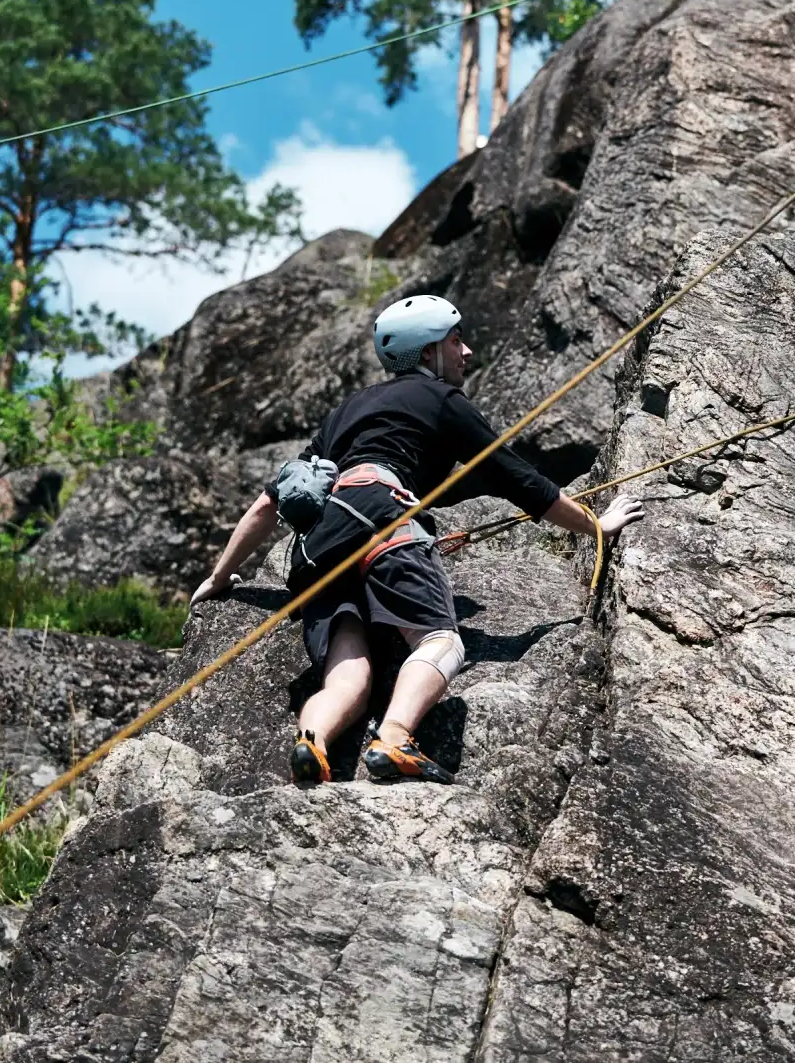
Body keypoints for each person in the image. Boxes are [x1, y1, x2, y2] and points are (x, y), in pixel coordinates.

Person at [191, 295, 642, 787]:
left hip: (318, 545)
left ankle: (313, 740)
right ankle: (394, 738)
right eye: (455, 341)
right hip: (383, 517)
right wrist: (596, 525)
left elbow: (268, 502)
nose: (467, 352)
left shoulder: (348, 409)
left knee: (349, 675)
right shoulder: (441, 399)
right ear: (428, 353)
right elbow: (519, 480)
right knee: (441, 641)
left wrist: (219, 577)